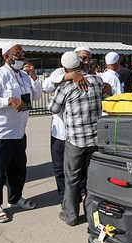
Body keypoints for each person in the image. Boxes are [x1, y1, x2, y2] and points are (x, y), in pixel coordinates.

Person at [0, 42, 42, 223]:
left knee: (18, 169)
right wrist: (8, 101)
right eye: (17, 54)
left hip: (18, 132)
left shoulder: (24, 76)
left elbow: (36, 96)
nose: (21, 57)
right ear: (7, 57)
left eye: (23, 54)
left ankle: (15, 198)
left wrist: (34, 76)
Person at [48, 52, 103, 227]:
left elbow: (53, 108)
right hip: (95, 140)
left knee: (72, 179)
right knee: (91, 179)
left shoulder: (66, 88)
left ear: (65, 69)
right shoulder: (97, 81)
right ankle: (91, 215)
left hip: (75, 141)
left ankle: (71, 216)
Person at [42, 46, 94, 216]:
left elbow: (53, 107)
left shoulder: (92, 78)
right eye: (83, 58)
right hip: (61, 133)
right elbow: (46, 85)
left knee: (77, 175)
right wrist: (66, 77)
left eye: (88, 58)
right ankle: (66, 201)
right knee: (61, 170)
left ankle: (72, 209)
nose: (86, 61)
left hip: (77, 137)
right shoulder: (60, 74)